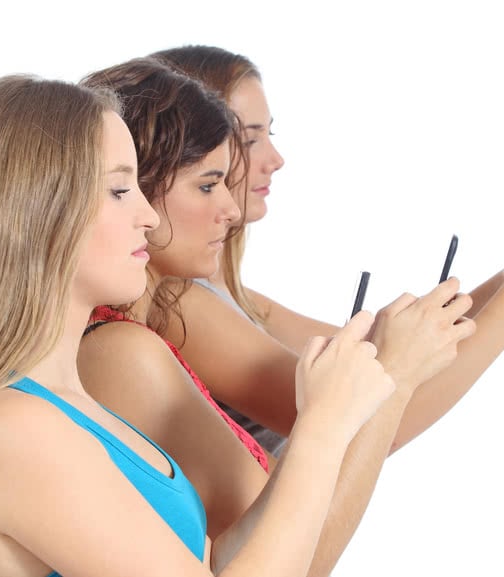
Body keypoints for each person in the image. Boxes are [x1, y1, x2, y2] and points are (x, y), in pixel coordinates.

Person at [0, 74, 402, 577]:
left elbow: (218, 566)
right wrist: (322, 429)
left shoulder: (76, 412)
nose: (148, 217)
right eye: (119, 190)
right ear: (36, 212)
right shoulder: (11, 430)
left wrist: (325, 414)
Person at [77, 58, 476, 576]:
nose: (233, 209)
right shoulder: (123, 348)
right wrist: (393, 381)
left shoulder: (141, 329)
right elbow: (295, 559)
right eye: (207, 184)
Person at [150, 45, 504, 455]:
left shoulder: (234, 298)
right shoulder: (181, 305)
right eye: (250, 140)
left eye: (270, 135)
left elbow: (382, 355)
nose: (275, 158)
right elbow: (370, 417)